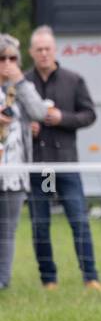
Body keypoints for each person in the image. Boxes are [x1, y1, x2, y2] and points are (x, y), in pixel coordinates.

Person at [25, 27, 101, 292]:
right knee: (41, 223)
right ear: (31, 53)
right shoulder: (23, 84)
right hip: (40, 166)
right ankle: (49, 280)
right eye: (39, 50)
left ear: (55, 50)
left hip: (66, 163)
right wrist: (27, 128)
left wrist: (62, 119)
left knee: (78, 219)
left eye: (48, 49)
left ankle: (91, 277)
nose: (44, 54)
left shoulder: (73, 80)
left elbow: (89, 115)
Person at [0, 34, 47, 290]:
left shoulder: (20, 89)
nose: (8, 63)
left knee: (7, 231)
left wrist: (19, 79)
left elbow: (40, 112)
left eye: (13, 58)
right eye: (2, 58)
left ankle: (2, 281)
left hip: (14, 173)